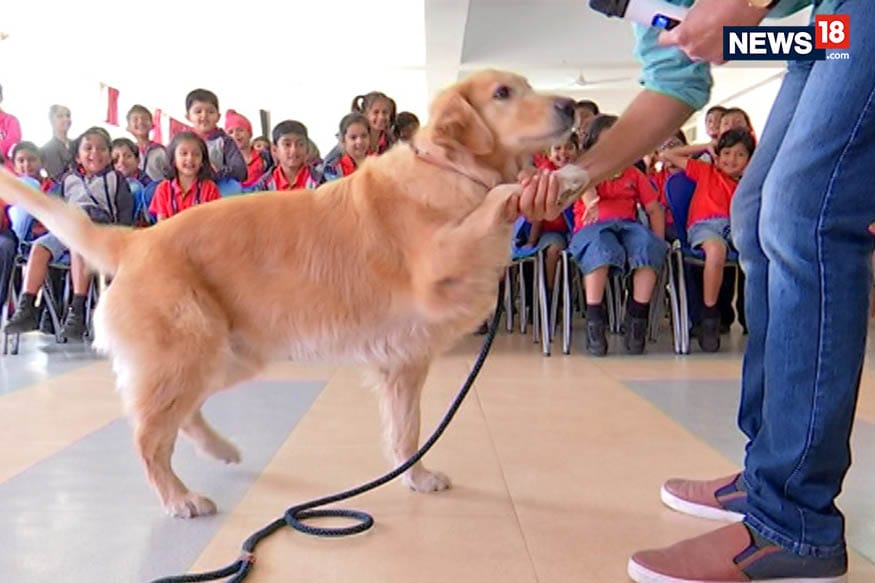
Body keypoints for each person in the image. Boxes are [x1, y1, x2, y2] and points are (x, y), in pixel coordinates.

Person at [515, 1, 866, 581]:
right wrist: (579, 176)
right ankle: (768, 476)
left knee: (806, 217)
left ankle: (796, 519)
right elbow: (675, 80)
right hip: (820, 31)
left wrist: (749, 5)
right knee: (753, 215)